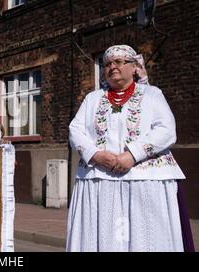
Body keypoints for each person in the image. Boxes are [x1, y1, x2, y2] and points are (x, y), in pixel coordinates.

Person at [67, 45, 186, 252]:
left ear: (134, 67)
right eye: (108, 64)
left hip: (145, 180)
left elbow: (167, 130)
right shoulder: (92, 99)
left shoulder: (152, 94)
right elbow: (75, 129)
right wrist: (95, 155)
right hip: (99, 181)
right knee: (104, 236)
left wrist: (132, 155)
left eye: (120, 62)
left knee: (146, 236)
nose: (113, 67)